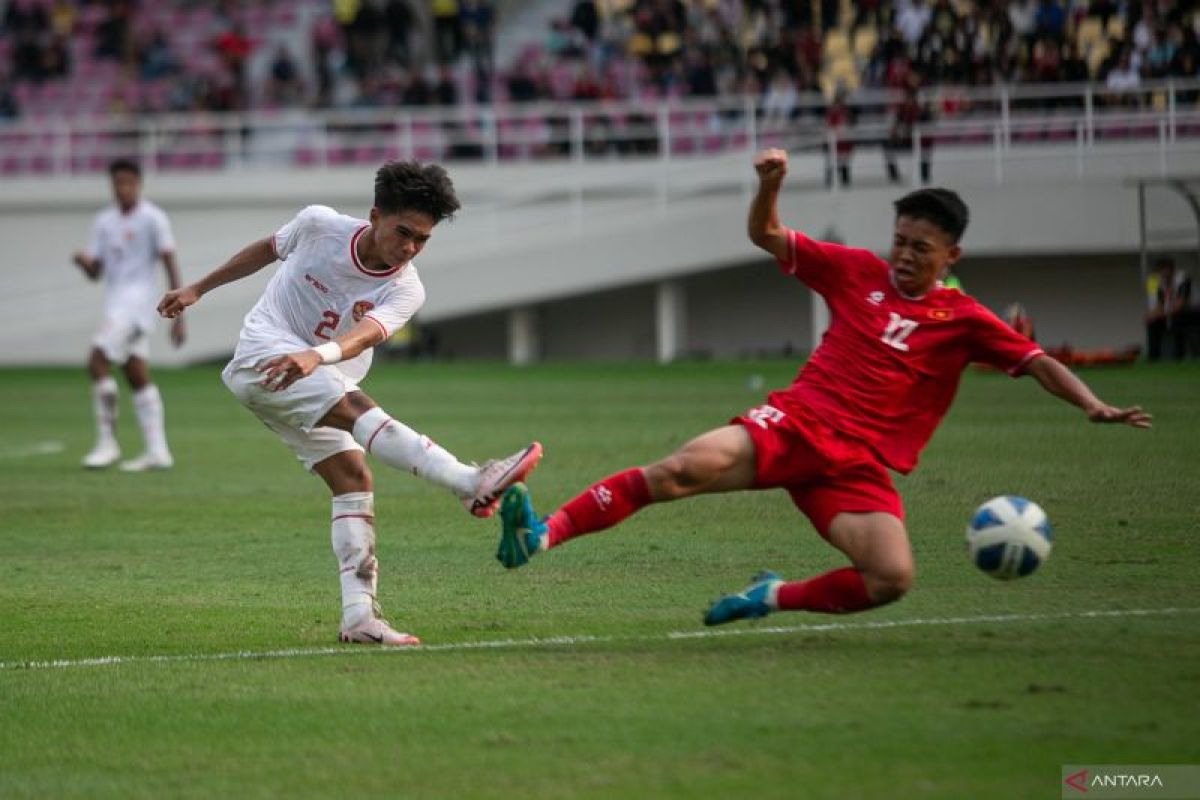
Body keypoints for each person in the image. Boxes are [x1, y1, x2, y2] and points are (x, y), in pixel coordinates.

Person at [494, 148, 1151, 626]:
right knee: (680, 469)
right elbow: (766, 234)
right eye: (899, 240)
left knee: (890, 579)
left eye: (921, 247)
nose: (904, 254)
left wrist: (1092, 403)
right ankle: (540, 535)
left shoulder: (965, 320)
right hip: (795, 423)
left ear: (951, 256)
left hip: (857, 464)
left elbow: (1036, 361)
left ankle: (772, 596)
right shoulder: (855, 271)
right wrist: (770, 186)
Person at [157, 162, 542, 646]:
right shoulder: (319, 225)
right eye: (403, 232)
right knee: (357, 410)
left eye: (422, 240)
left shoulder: (407, 286)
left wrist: (315, 357)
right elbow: (267, 249)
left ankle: (359, 616)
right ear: (375, 215)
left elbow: (364, 337)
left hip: (317, 369)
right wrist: (197, 288)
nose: (409, 248)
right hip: (262, 355)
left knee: (352, 480)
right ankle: (469, 481)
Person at [73, 159, 185, 471]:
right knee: (136, 375)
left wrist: (180, 313)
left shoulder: (152, 218)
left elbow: (168, 260)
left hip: (135, 306)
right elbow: (96, 271)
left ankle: (107, 444)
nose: (123, 188)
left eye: (128, 182)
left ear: (138, 183)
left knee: (96, 363)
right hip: (114, 303)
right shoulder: (104, 221)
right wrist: (83, 261)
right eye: (117, 183)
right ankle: (158, 452)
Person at [1145, 256, 1195, 361]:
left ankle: (1179, 356)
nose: (1163, 274)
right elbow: (1160, 305)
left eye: (1165, 270)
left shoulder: (1183, 280)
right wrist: (1151, 315)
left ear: (1171, 269)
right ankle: (1153, 358)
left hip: (1190, 312)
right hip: (1170, 313)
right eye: (1160, 271)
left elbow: (1180, 304)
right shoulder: (1160, 283)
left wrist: (1162, 313)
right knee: (1153, 322)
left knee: (1178, 317)